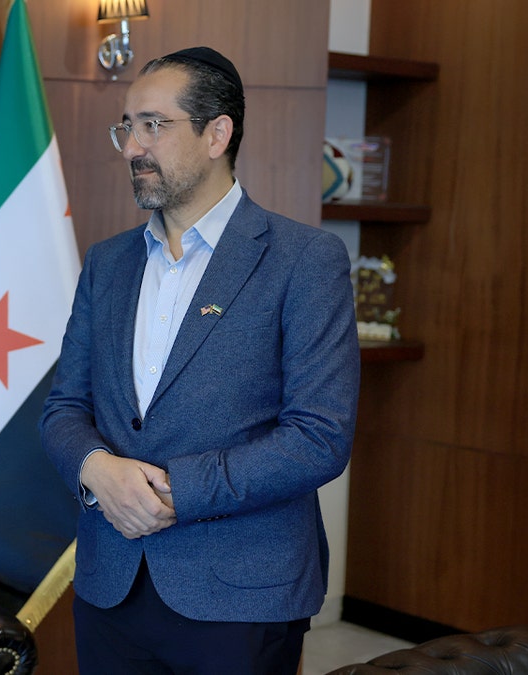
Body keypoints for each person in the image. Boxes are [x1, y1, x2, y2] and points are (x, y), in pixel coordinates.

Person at [40, 46, 360, 674]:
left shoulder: (304, 261)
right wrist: (97, 467)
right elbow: (63, 408)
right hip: (111, 584)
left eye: (153, 125)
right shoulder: (108, 264)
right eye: (126, 127)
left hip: (239, 596)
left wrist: (173, 492)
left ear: (218, 134)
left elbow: (319, 438)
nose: (133, 146)